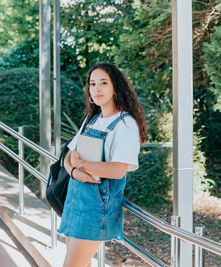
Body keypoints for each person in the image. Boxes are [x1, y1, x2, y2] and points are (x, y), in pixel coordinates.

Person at [58, 63, 148, 267]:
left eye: (103, 83)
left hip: (96, 209)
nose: (97, 89)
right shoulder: (93, 119)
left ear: (115, 87)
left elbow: (118, 170)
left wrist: (84, 166)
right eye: (92, 84)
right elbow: (69, 155)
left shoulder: (125, 124)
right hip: (75, 202)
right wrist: (74, 171)